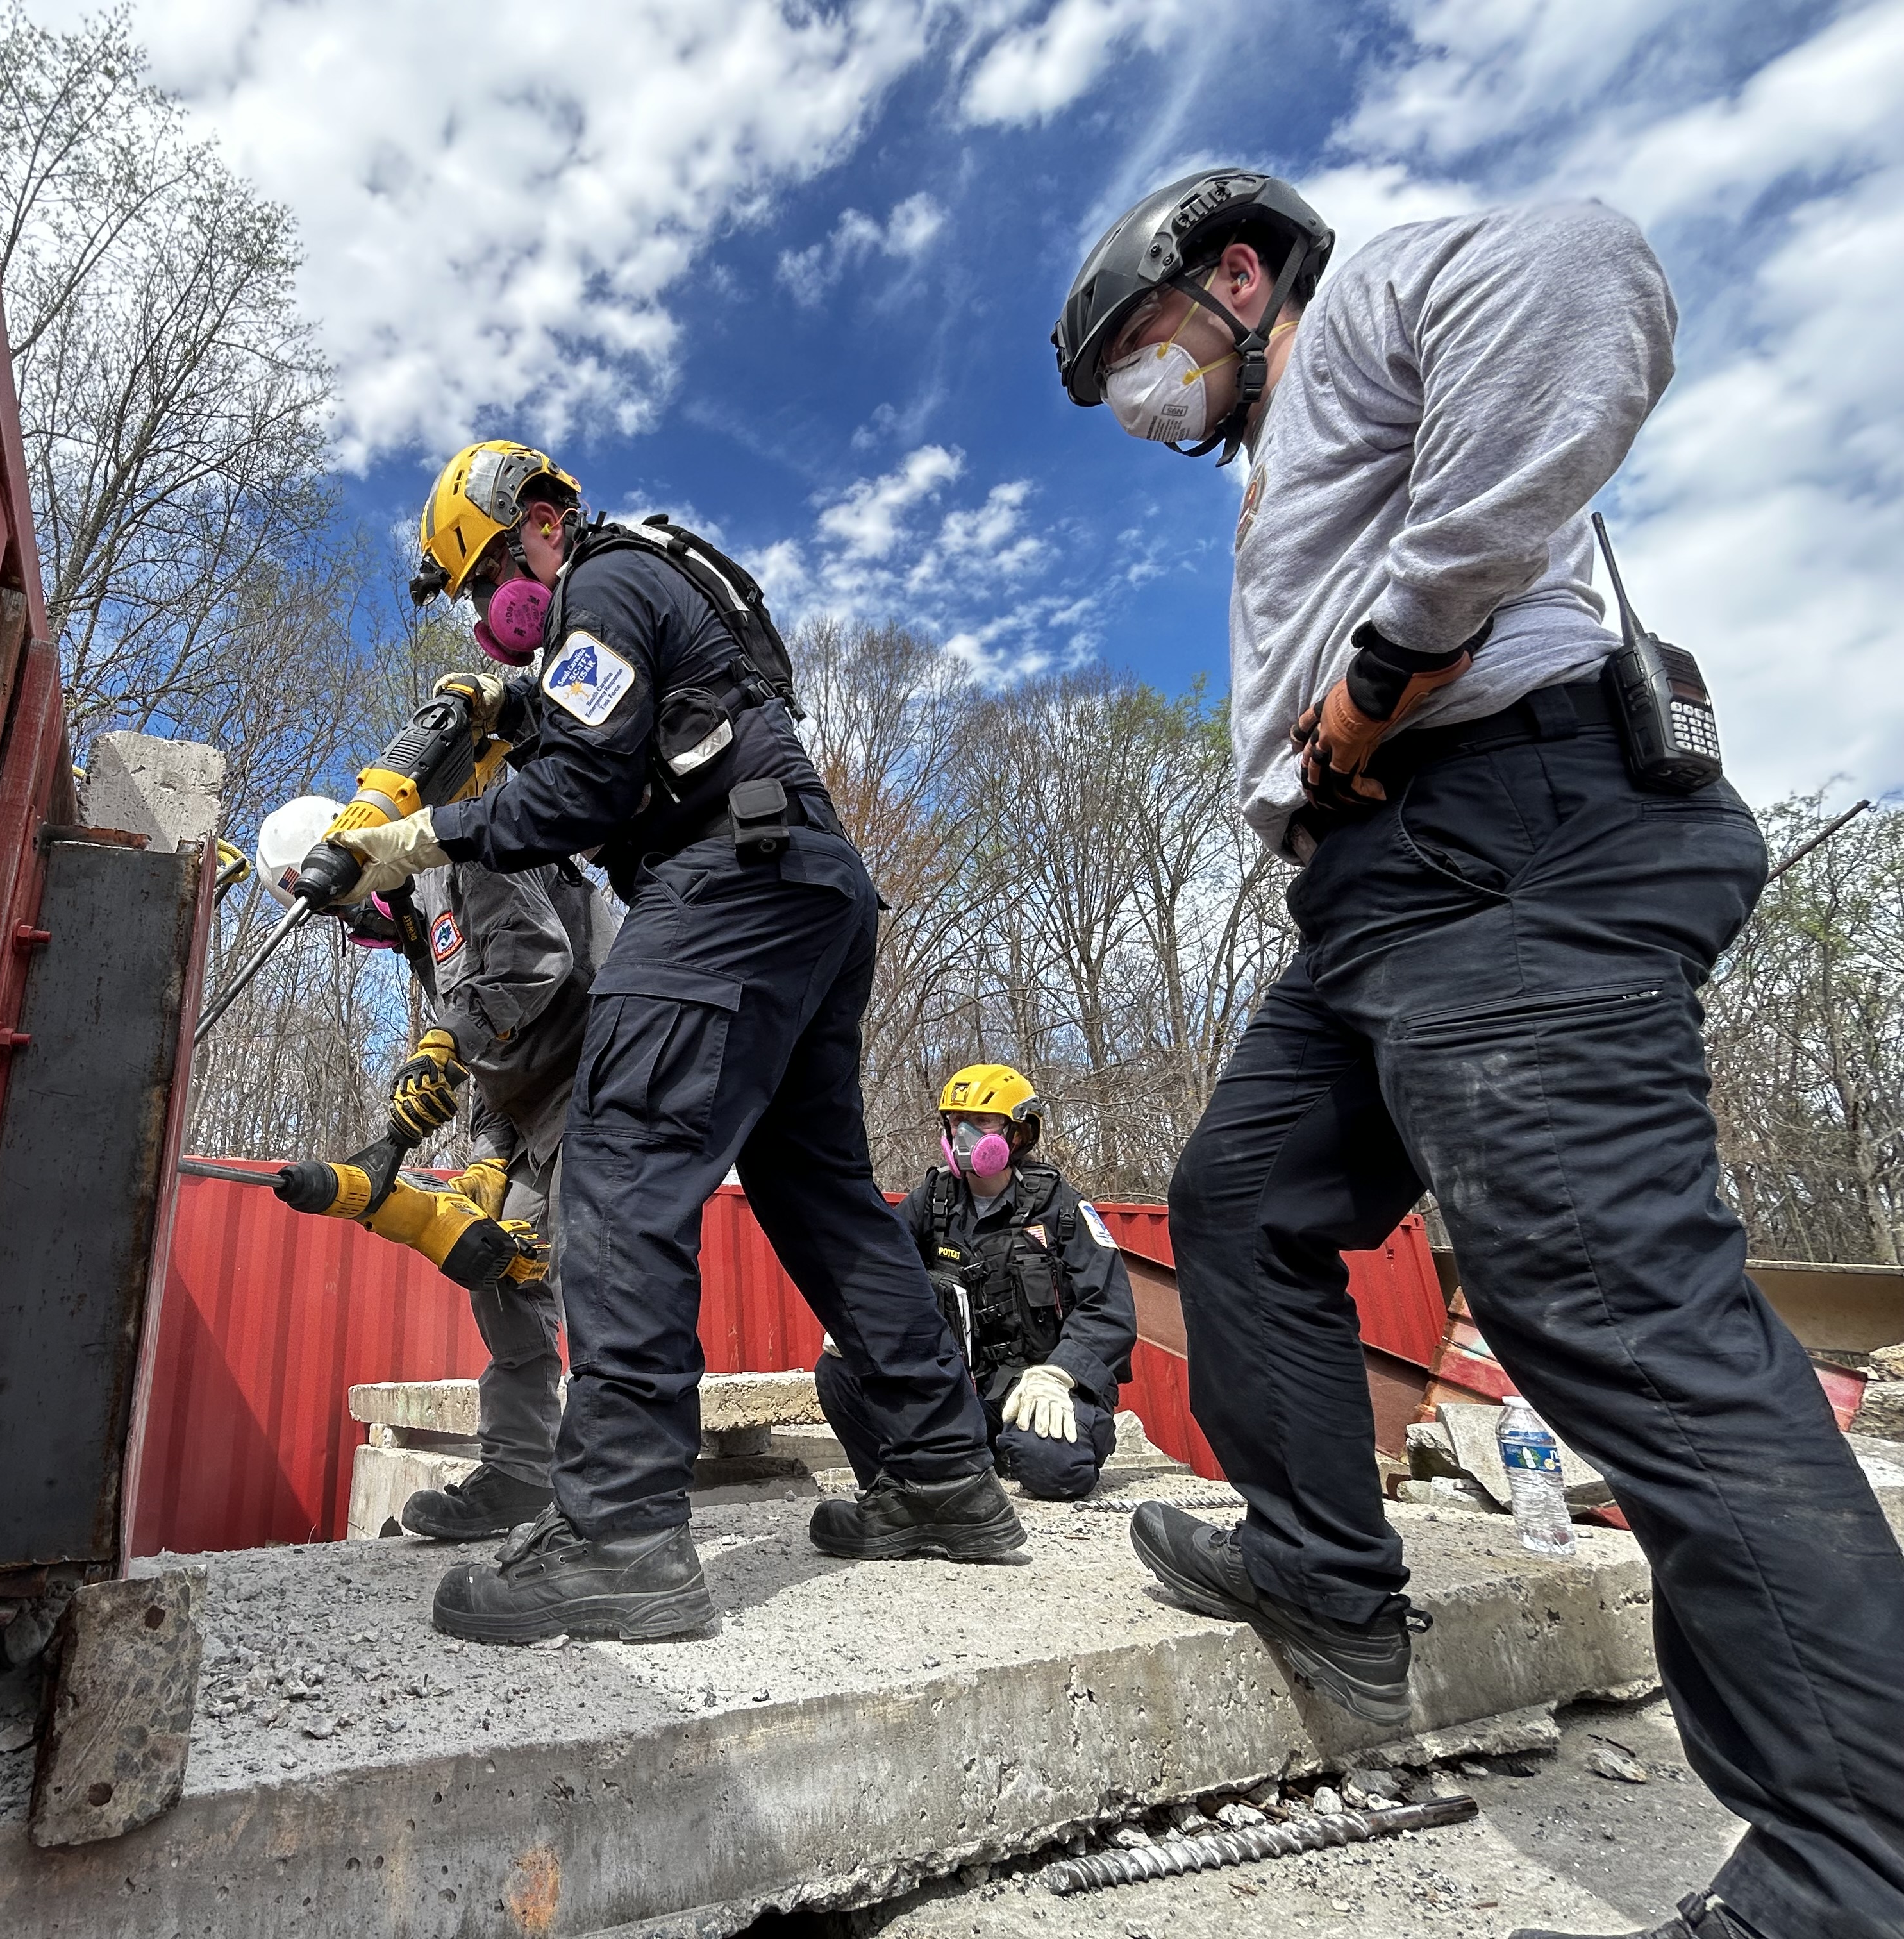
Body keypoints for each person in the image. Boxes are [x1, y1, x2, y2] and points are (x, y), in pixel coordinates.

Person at [1050, 171, 1904, 1939]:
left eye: (1143, 345)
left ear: (1236, 277)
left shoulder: (1360, 313)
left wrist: (1388, 665)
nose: (1143, 391)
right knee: (1239, 1201)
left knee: (1612, 1309)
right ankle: (1324, 1576)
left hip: (1509, 832)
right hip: (1382, 895)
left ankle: (1859, 1858)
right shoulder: (1289, 460)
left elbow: (1585, 263)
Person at [335, 439, 1015, 1641]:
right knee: (821, 1194)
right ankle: (941, 1474)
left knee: (619, 1162)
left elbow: (579, 795)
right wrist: (506, 715)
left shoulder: (600, 580)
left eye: (486, 580)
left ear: (538, 522)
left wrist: (422, 835)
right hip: (809, 886)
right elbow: (601, 739)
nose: (491, 617)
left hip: (726, 883)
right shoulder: (646, 591)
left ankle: (622, 1532)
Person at [381, 849, 621, 1540]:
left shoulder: (472, 848)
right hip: (534, 1110)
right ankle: (518, 1474)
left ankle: (617, 1493)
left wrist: (446, 1039)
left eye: (361, 914)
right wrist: (488, 1157)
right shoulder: (424, 920)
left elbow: (536, 959)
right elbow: (495, 1054)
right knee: (499, 1261)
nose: (372, 931)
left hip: (606, 1073)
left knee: (600, 1274)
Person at [819, 1064, 1135, 1503]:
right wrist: (858, 1323)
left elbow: (1109, 1309)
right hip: (963, 1390)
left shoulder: (1061, 1209)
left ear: (1019, 1132)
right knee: (840, 1371)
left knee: (1053, 1467)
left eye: (982, 1122)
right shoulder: (931, 1201)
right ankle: (897, 1489)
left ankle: (1017, 1450)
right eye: (955, 1122)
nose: (963, 1134)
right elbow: (880, 1272)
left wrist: (1060, 1374)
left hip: (1040, 1388)